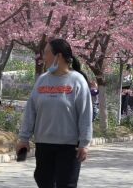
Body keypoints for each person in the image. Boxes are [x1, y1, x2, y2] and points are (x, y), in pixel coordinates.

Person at [17, 38, 93, 188]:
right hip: (44, 145)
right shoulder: (42, 80)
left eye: (46, 53)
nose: (43, 57)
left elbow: (85, 114)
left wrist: (84, 143)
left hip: (69, 147)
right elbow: (31, 110)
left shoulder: (77, 81)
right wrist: (23, 138)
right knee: (43, 181)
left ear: (58, 56)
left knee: (66, 184)